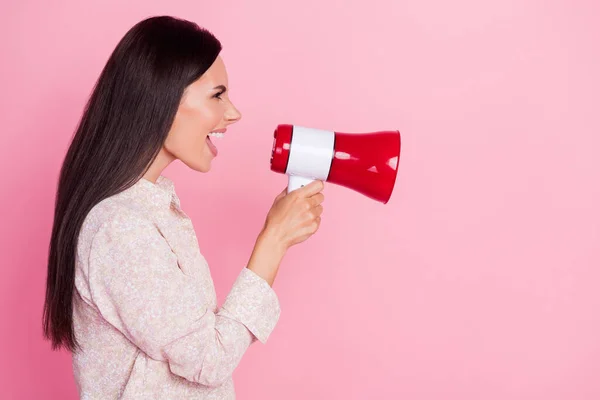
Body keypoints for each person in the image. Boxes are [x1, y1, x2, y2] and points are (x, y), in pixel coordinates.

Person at [43, 15, 325, 399]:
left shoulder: (151, 209)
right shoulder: (119, 228)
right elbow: (209, 360)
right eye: (217, 95)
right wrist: (273, 241)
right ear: (161, 98)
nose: (234, 113)